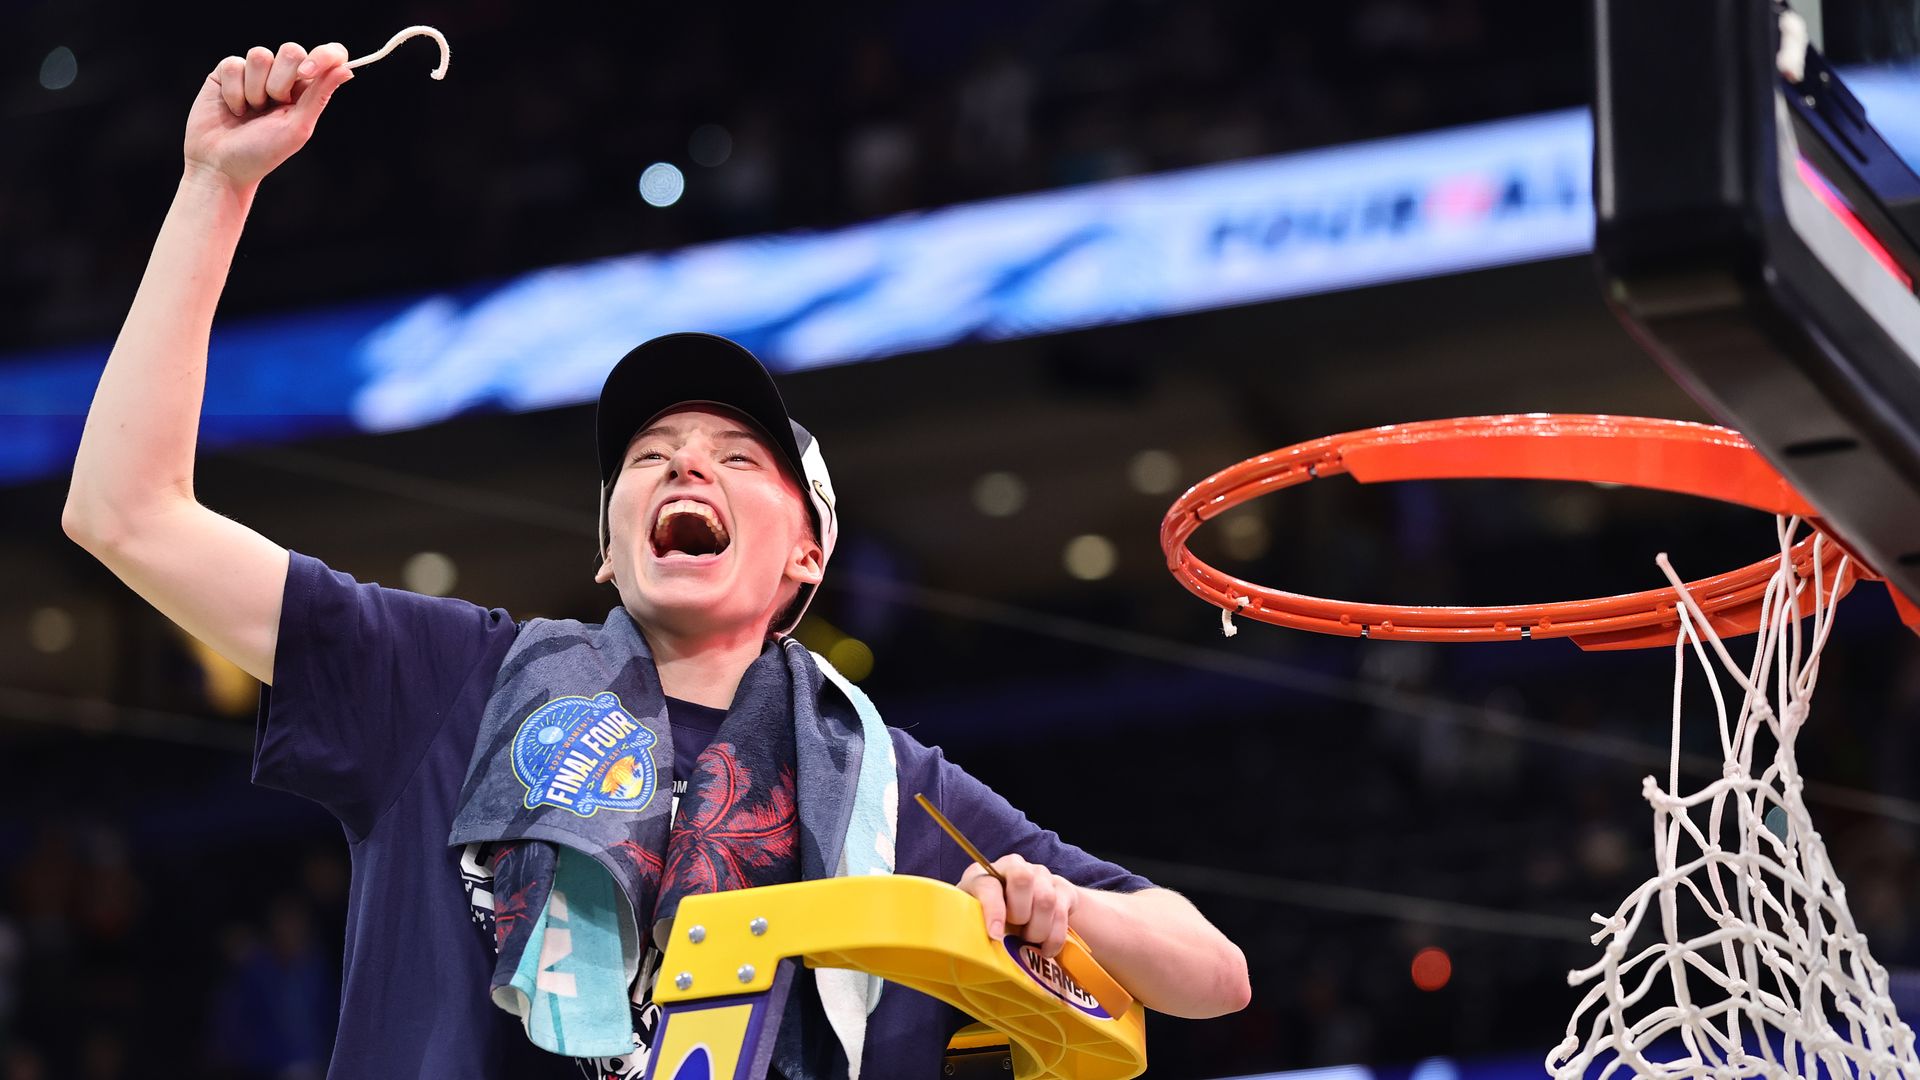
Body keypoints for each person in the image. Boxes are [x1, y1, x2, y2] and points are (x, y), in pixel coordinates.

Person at [62, 40, 1250, 1079]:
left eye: (739, 457)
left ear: (806, 558)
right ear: (605, 550)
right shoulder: (447, 683)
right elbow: (126, 512)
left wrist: (1055, 904)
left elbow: (1213, 974)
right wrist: (215, 187)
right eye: (651, 455)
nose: (686, 468)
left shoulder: (893, 789)